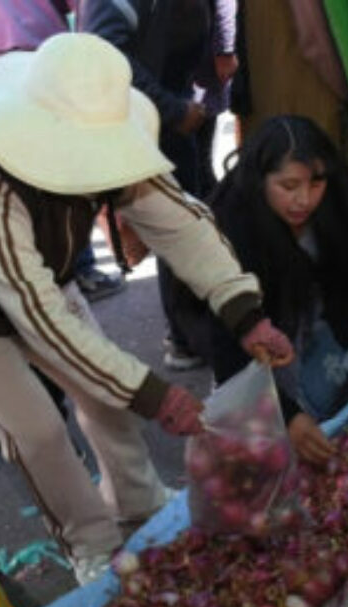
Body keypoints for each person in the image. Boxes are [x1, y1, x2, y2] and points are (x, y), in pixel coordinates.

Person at [0, 33, 294, 585]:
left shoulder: (108, 156)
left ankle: (140, 501)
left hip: (41, 280)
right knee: (36, 432)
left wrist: (246, 312)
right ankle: (91, 544)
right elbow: (43, 325)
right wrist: (156, 394)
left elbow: (184, 224)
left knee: (107, 400)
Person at [175, 116, 348, 466]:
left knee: (335, 415)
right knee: (267, 451)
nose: (304, 199)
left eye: (315, 184)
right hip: (258, 345)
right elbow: (227, 341)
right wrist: (286, 416)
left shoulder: (334, 198)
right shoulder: (232, 229)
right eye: (288, 186)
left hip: (320, 332)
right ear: (260, 180)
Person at [79, 0, 233, 371]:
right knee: (177, 230)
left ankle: (194, 328)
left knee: (187, 221)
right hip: (146, 125)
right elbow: (107, 58)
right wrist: (171, 108)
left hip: (174, 112)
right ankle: (187, 337)